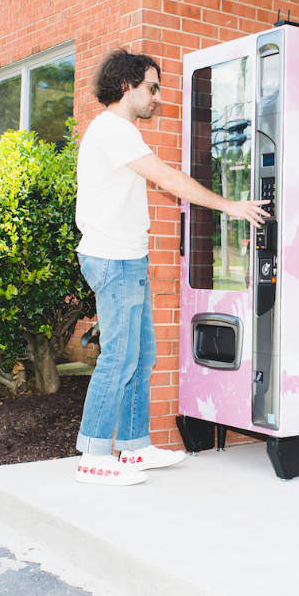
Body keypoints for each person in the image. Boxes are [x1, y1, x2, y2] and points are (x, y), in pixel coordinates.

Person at [74, 49, 268, 485]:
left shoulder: (118, 131)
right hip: (113, 258)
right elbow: (167, 179)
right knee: (119, 358)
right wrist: (229, 206)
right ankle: (93, 456)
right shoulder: (112, 129)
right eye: (152, 87)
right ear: (127, 86)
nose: (157, 97)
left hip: (128, 258)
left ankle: (134, 448)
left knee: (142, 357)